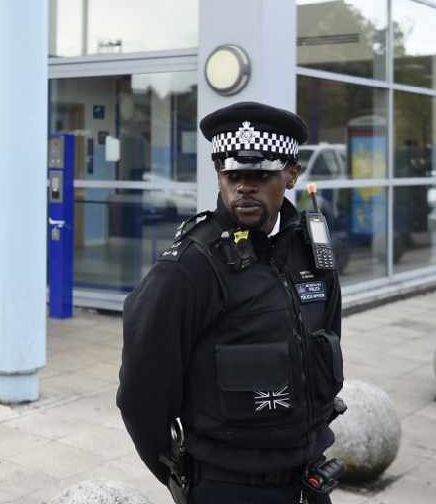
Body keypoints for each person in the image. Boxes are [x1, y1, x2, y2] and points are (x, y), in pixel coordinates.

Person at [117, 102, 345, 504]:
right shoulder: (190, 266)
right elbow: (141, 393)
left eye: (260, 176)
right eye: (233, 175)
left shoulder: (311, 250)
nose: (244, 187)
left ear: (291, 174)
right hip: (229, 486)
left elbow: (326, 335)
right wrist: (179, 474)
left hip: (308, 477)